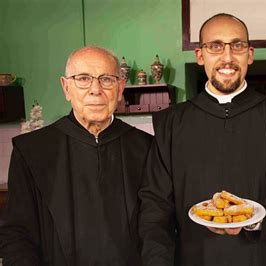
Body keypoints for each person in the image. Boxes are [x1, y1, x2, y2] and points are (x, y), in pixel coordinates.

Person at [139, 13, 266, 266]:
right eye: (216, 46)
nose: (228, 57)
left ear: (250, 54)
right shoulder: (170, 123)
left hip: (264, 258)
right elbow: (155, 207)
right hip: (193, 257)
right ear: (200, 55)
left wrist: (257, 220)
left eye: (237, 45)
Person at [0, 46, 152, 265]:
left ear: (120, 88)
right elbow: (17, 234)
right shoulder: (31, 151)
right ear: (66, 87)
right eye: (83, 79)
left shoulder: (147, 148)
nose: (95, 90)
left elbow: (157, 227)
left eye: (106, 79)